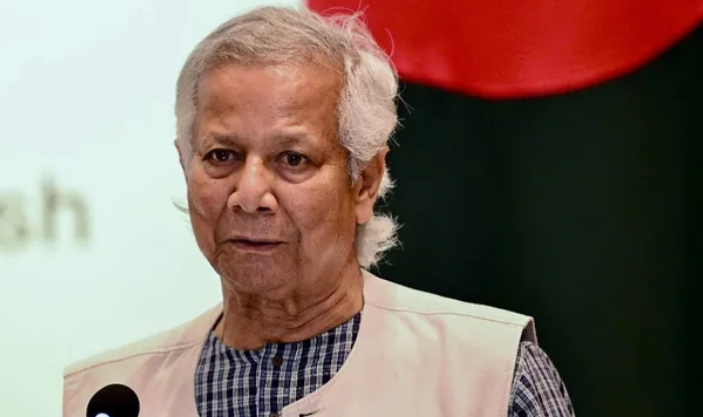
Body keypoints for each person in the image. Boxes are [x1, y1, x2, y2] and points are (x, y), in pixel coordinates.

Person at [63, 6, 575, 417]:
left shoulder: (488, 377)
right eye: (222, 156)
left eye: (292, 159)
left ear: (364, 182)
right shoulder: (106, 398)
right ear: (185, 166)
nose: (249, 194)